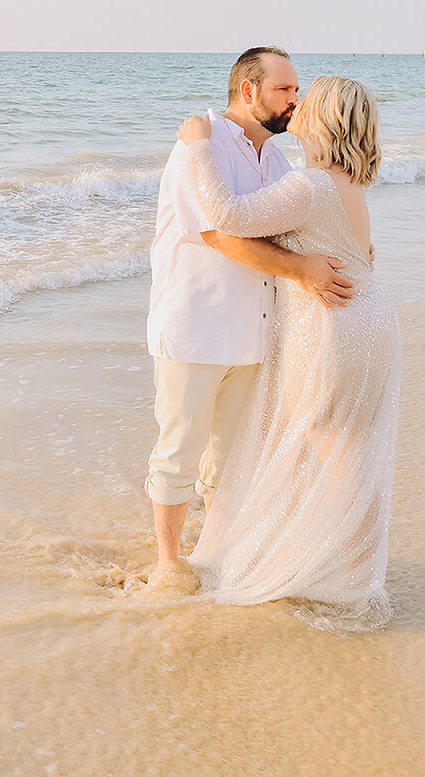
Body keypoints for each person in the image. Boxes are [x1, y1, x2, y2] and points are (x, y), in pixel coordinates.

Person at [174, 76, 402, 631]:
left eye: (309, 98)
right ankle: (328, 567)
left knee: (332, 453)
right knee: (332, 450)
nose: (296, 103)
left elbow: (227, 216)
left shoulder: (309, 185)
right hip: (369, 322)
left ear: (325, 118)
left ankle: (355, 584)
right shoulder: (346, 184)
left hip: (333, 330)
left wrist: (198, 145)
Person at [142, 47, 355, 594]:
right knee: (178, 450)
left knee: (229, 460)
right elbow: (223, 235)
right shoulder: (199, 146)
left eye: (296, 89)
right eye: (285, 90)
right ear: (248, 91)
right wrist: (303, 270)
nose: (296, 101)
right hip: (197, 324)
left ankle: (210, 556)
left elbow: (290, 226)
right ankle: (168, 562)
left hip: (253, 330)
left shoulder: (277, 160)